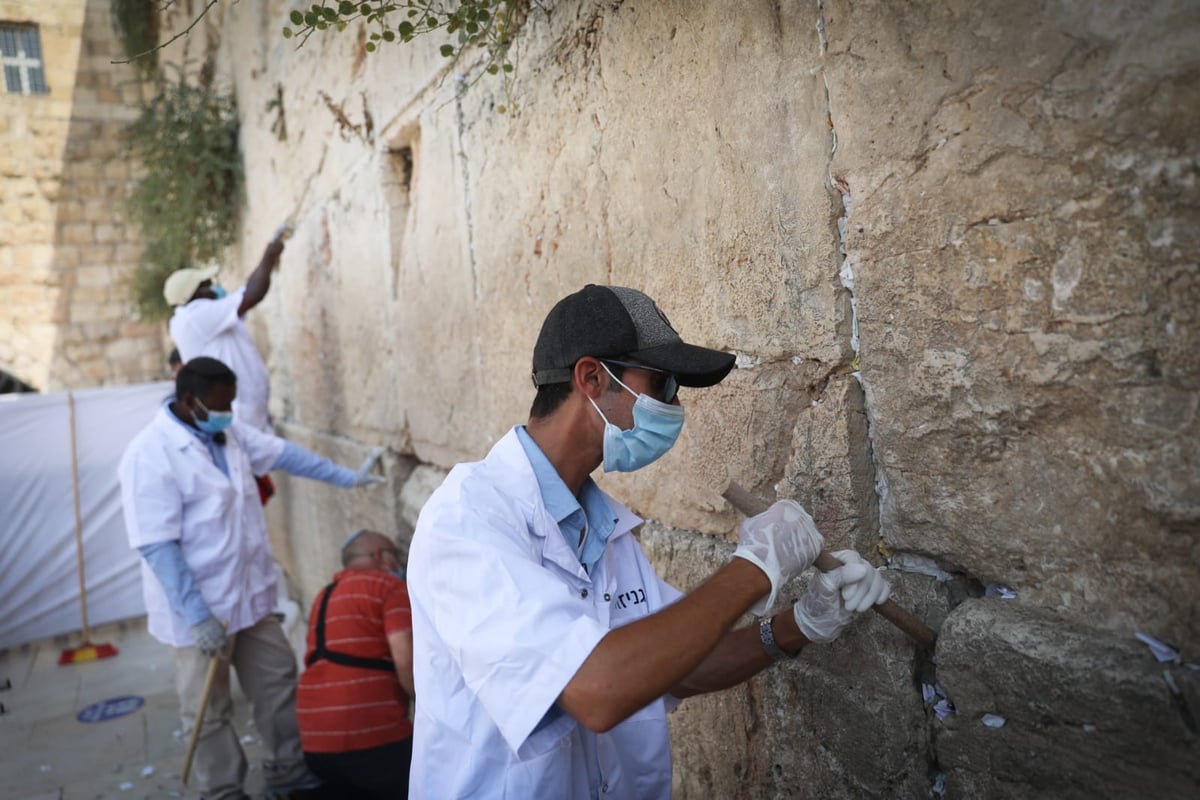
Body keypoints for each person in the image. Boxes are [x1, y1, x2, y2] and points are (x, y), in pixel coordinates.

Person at [406, 284, 892, 798]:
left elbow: (678, 666)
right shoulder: (467, 521)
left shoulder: (601, 526)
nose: (675, 404)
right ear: (592, 378)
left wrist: (800, 626)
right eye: (661, 384)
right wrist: (754, 568)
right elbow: (597, 690)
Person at [118, 356, 386, 800]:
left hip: (250, 595)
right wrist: (198, 616)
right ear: (190, 401)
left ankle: (288, 770)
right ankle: (223, 790)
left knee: (278, 682)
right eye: (223, 404)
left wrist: (348, 478)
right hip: (199, 610)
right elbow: (157, 545)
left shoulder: (229, 433)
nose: (230, 411)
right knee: (208, 709)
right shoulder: (149, 455)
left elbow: (285, 455)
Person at [165, 227, 291, 504]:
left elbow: (244, 294)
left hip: (248, 416)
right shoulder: (193, 317)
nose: (215, 287)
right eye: (207, 283)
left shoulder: (203, 318)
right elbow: (252, 294)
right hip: (241, 417)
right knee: (246, 500)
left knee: (252, 498)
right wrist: (269, 254)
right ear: (194, 294)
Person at [296, 529, 414, 799]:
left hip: (315, 745)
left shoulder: (322, 597)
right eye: (396, 555)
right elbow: (405, 657)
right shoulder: (389, 588)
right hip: (373, 740)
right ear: (381, 557)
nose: (398, 563)